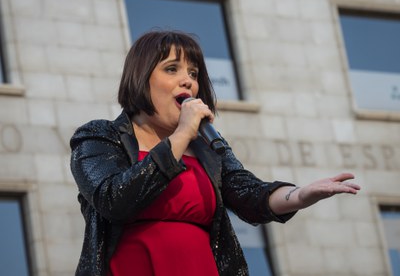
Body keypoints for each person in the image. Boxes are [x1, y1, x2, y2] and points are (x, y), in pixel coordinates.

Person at [70, 30, 360, 276]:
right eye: (172, 69)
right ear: (141, 78)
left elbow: (249, 194)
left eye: (193, 73)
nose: (188, 81)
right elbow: (115, 200)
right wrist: (182, 135)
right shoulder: (99, 136)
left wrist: (299, 195)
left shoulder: (206, 146)